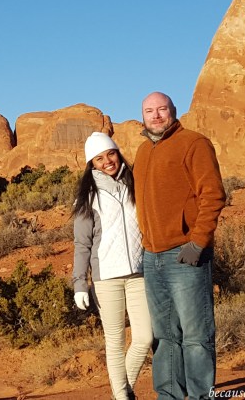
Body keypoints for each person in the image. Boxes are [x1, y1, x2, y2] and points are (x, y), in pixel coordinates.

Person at [133, 92, 226, 400]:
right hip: (153, 256)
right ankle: (169, 395)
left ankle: (201, 396)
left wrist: (198, 242)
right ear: (143, 116)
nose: (156, 115)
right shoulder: (144, 151)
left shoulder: (193, 143)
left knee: (196, 335)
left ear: (173, 111)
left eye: (162, 109)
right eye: (149, 111)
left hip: (185, 254)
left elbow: (212, 195)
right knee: (164, 336)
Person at [73, 132, 153, 400]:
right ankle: (122, 396)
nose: (107, 161)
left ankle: (123, 390)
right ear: (91, 164)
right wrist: (79, 284)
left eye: (111, 154)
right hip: (106, 277)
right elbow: (81, 244)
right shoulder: (88, 197)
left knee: (144, 337)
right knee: (115, 343)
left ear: (118, 153)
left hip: (139, 274)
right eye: (99, 158)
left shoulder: (135, 184)